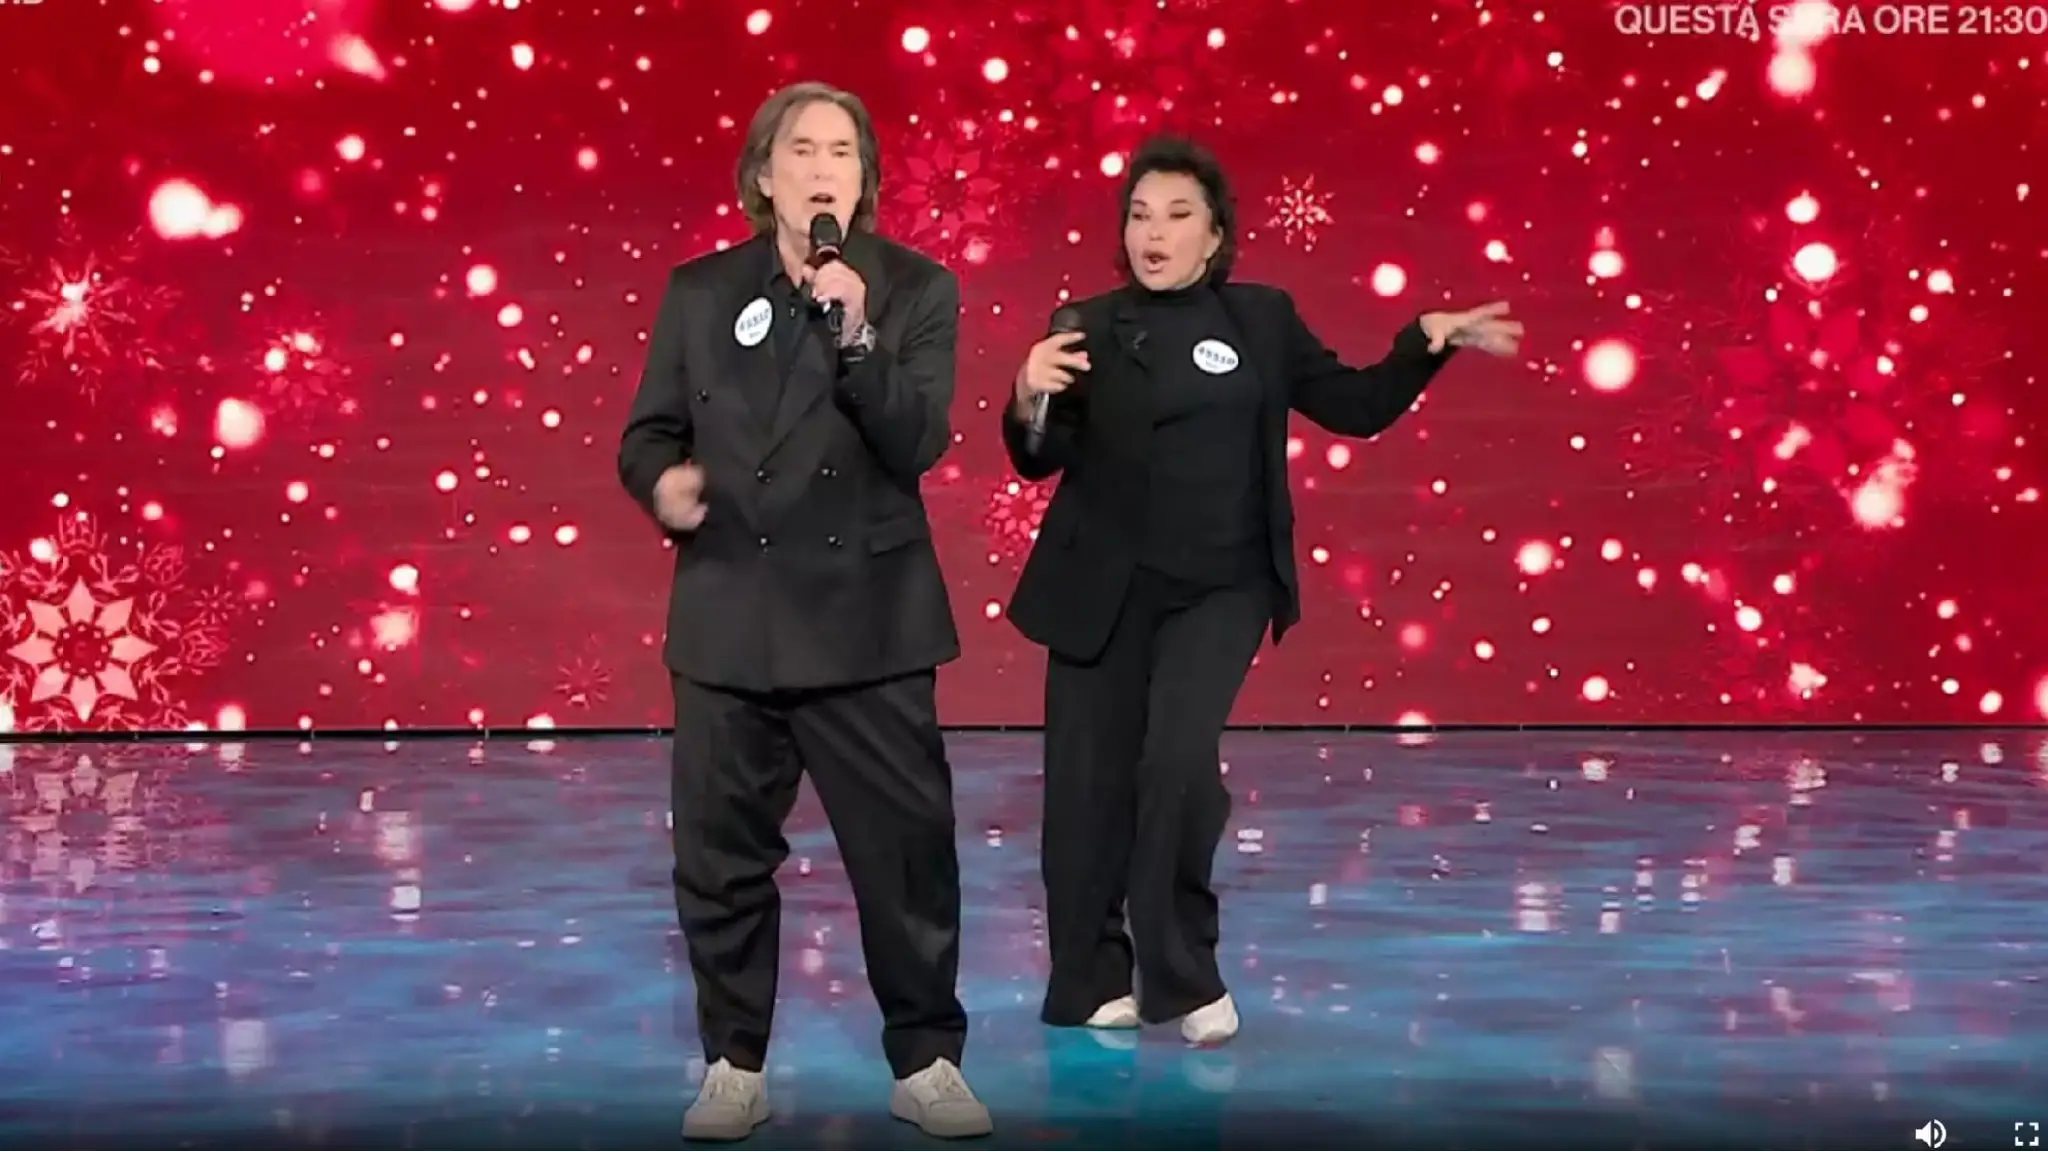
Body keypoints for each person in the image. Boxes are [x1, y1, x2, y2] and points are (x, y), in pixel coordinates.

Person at [998, 134, 1522, 1046]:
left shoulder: (1262, 319)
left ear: (1215, 236)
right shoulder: (1084, 323)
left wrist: (1423, 344)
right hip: (1100, 588)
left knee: (1175, 766)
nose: (1154, 234)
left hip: (1223, 585)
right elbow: (1038, 459)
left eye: (1178, 215)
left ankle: (1183, 973)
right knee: (1087, 789)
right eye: (1139, 216)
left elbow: (1356, 407)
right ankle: (1089, 977)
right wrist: (1026, 394)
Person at [617, 81, 991, 1142]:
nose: (822, 168)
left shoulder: (915, 288)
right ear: (764, 175)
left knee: (906, 858)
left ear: (862, 181)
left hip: (868, 623)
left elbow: (918, 441)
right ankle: (733, 1063)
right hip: (729, 618)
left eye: (841, 152)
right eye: (801, 149)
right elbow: (646, 434)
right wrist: (661, 484)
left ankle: (926, 1062)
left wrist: (858, 335)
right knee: (719, 861)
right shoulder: (699, 292)